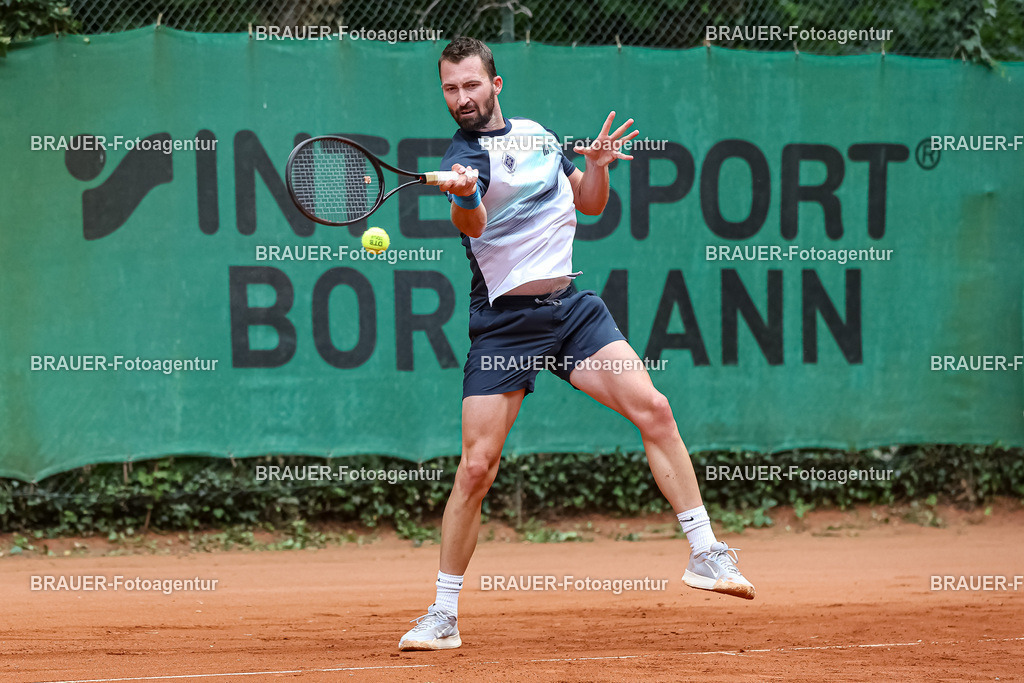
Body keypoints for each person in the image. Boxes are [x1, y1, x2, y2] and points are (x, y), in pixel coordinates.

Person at [399, 36, 755, 652]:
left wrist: (595, 167)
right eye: (450, 89)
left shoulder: (538, 134)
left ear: (496, 84)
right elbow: (474, 225)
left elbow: (588, 206)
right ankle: (444, 613)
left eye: (471, 85)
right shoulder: (466, 158)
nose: (461, 98)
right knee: (477, 468)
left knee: (655, 408)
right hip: (506, 324)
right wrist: (463, 196)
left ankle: (706, 553)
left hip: (570, 311)